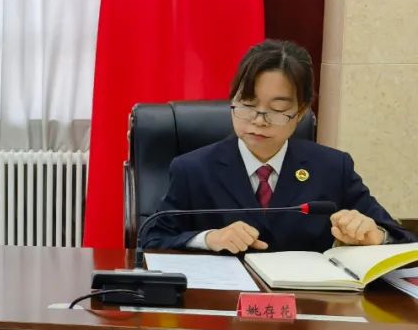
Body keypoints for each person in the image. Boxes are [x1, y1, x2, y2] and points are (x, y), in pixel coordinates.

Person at [142, 40, 416, 253]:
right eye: (248, 105)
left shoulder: (333, 168)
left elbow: (405, 242)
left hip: (309, 305)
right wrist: (208, 238)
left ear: (301, 112)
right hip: (223, 303)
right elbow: (151, 240)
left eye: (277, 110)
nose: (259, 121)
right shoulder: (193, 169)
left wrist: (376, 236)